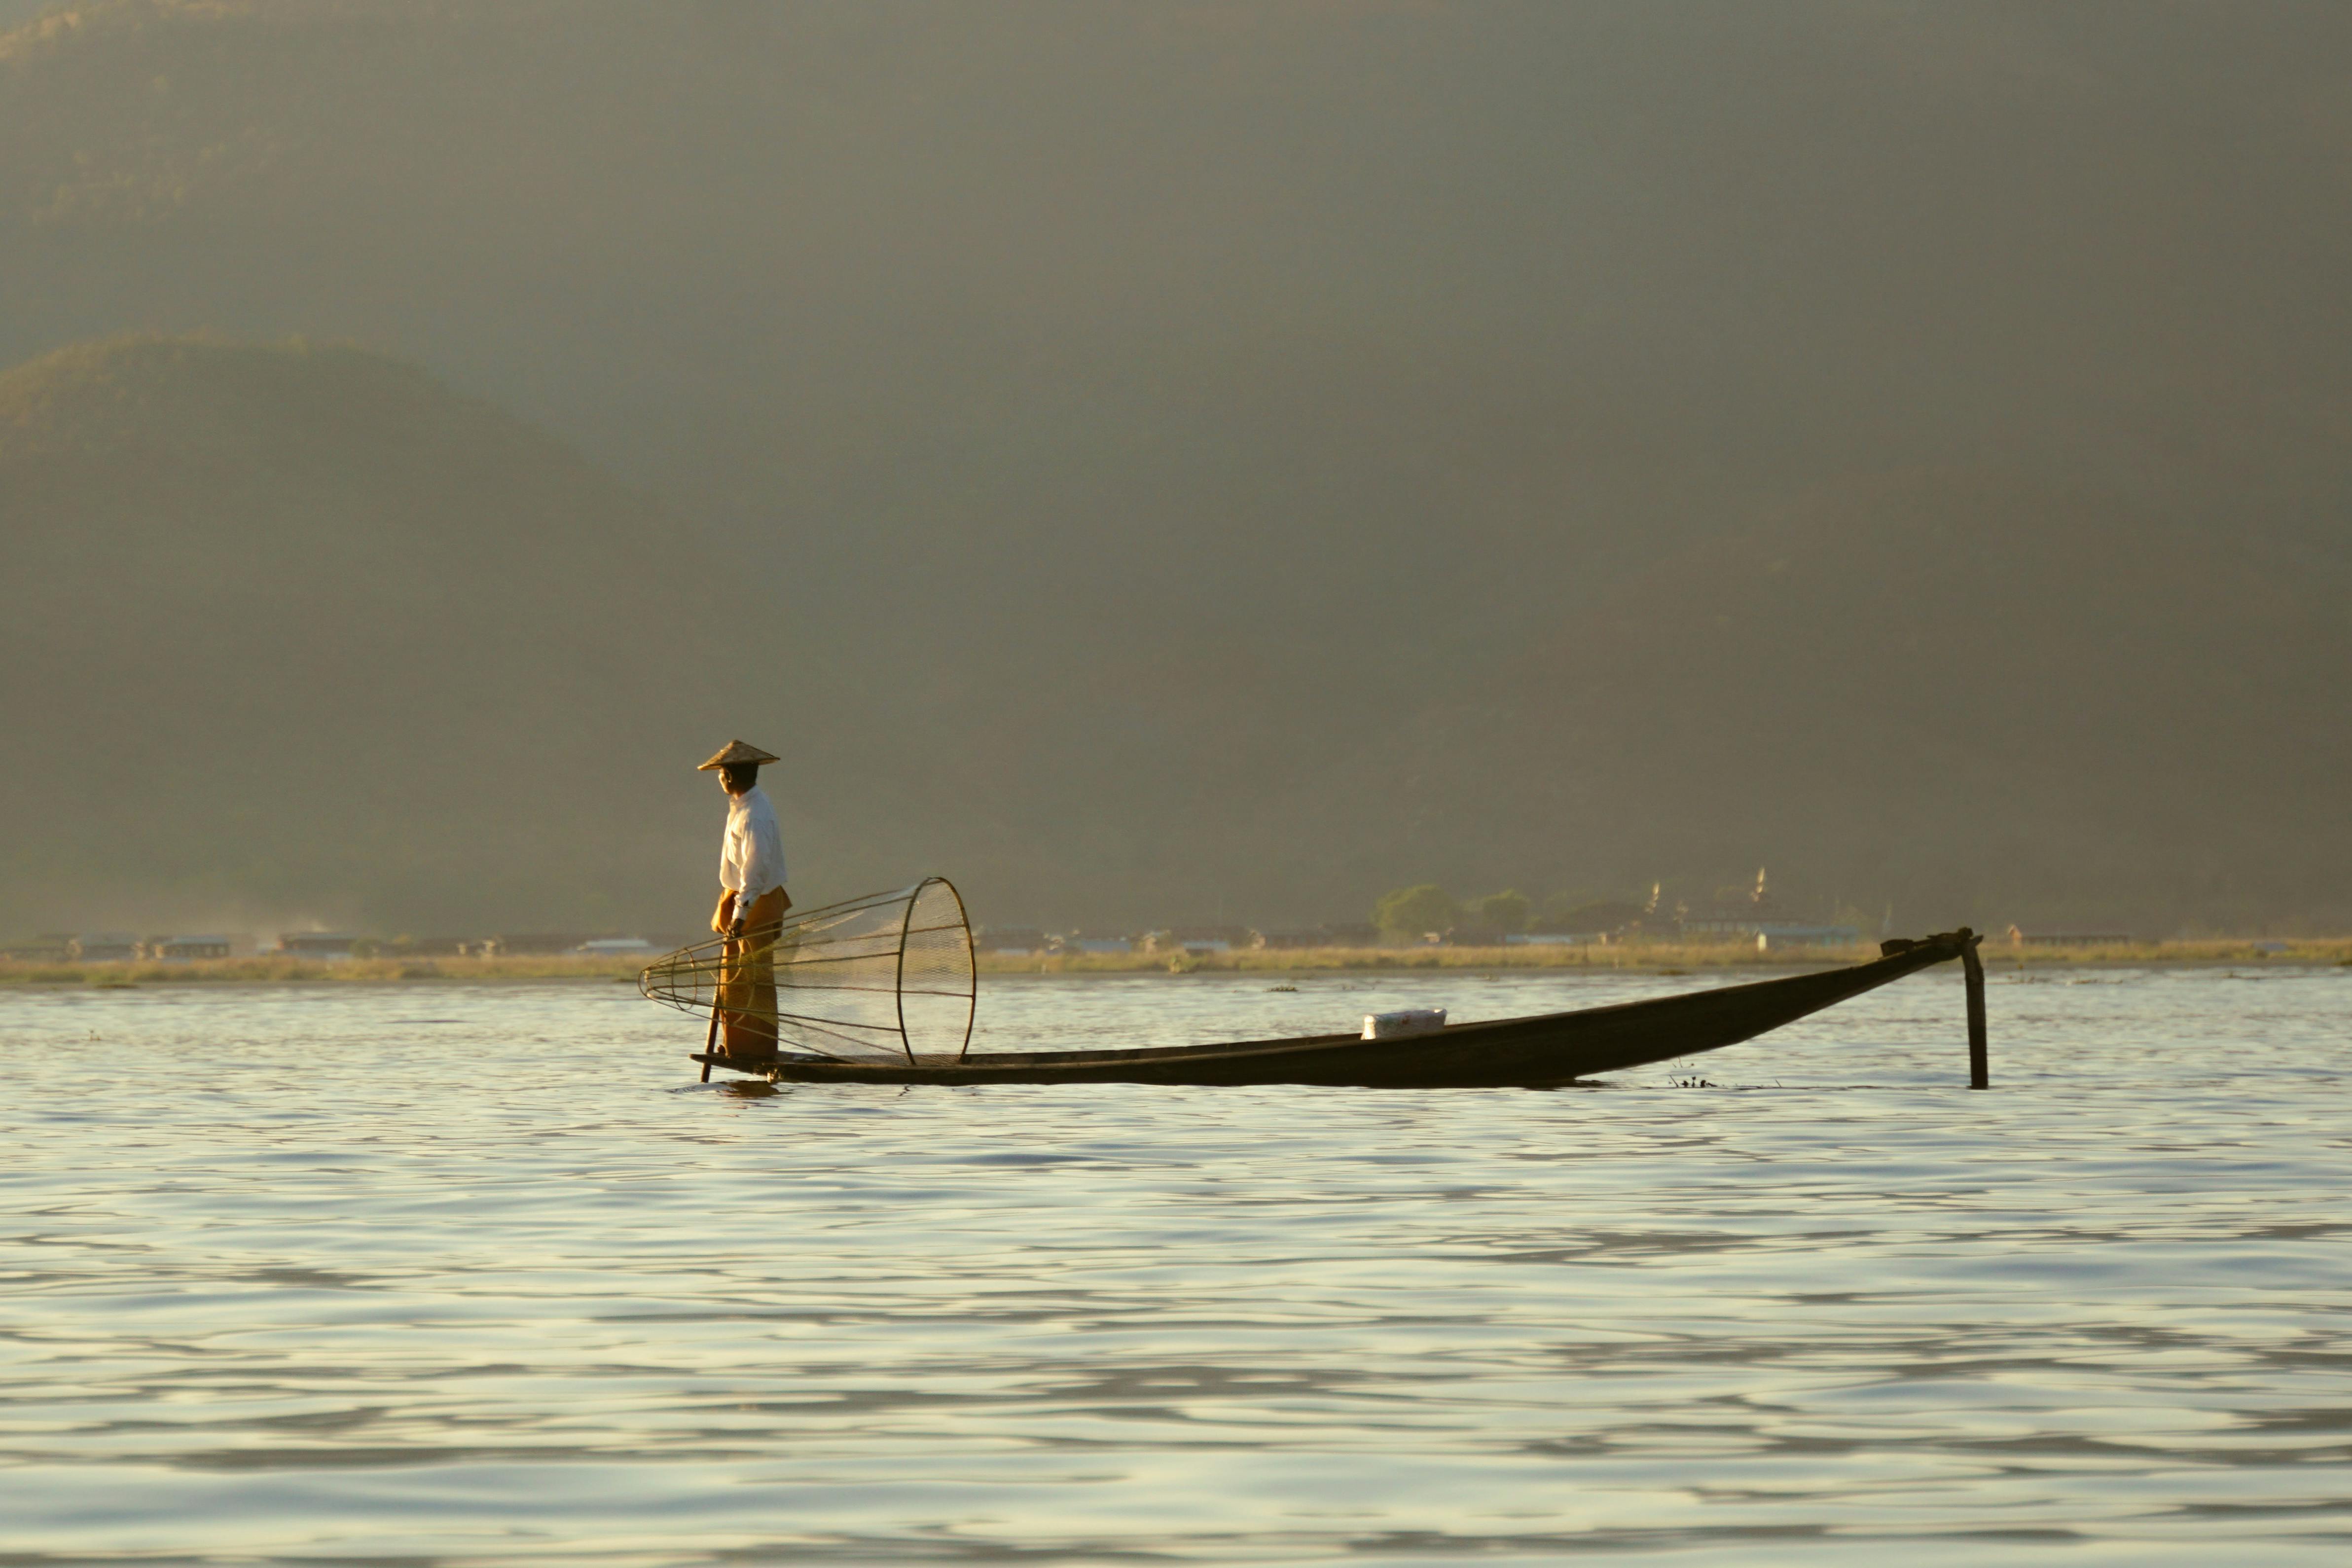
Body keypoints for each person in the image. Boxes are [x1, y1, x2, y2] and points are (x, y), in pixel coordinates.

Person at [698, 739, 791, 1066]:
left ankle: (756, 1049)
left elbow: (757, 867)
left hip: (757, 902)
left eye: (722, 772)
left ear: (731, 775)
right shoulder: (743, 807)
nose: (720, 778)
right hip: (744, 900)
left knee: (752, 980)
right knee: (735, 980)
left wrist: (741, 912)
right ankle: (739, 1045)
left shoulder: (755, 813)